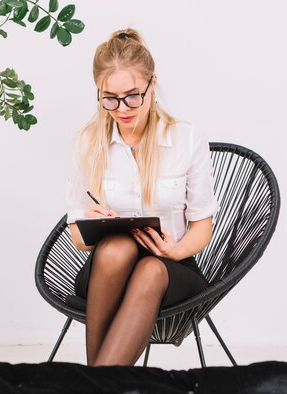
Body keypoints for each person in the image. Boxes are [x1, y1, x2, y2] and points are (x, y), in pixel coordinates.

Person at [66, 28, 218, 366]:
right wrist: (90, 224)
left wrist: (174, 250)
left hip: (172, 268)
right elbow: (75, 231)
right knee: (117, 247)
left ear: (152, 86)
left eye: (133, 96)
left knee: (150, 268)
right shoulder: (87, 143)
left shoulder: (186, 139)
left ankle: (94, 384)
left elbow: (202, 227)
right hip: (107, 266)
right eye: (110, 98)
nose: (122, 108)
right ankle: (102, 385)